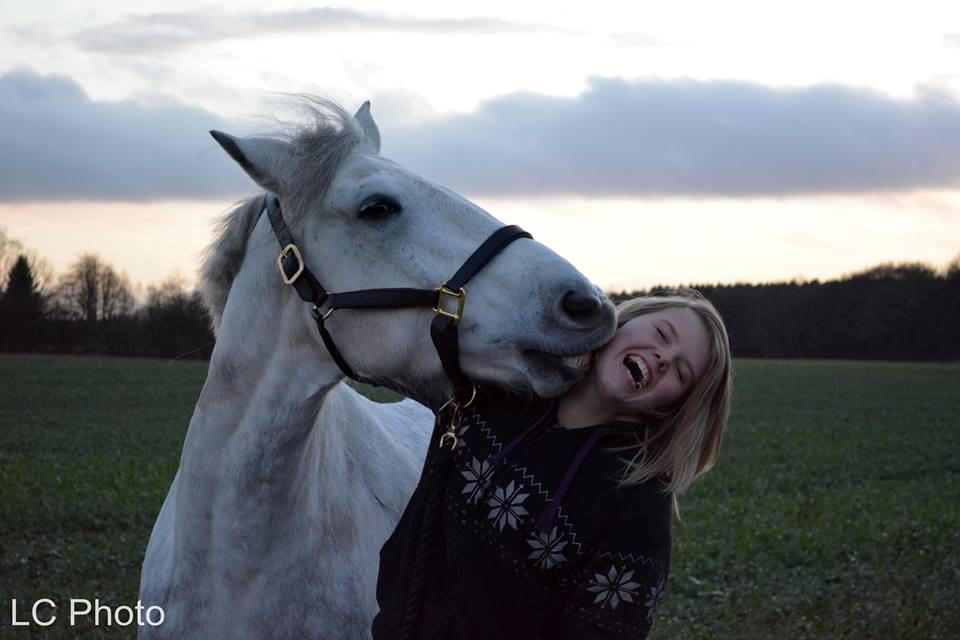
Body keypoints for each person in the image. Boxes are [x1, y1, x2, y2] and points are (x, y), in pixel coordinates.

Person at [372, 289, 732, 639]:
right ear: (622, 322)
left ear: (671, 405)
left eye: (681, 373)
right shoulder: (502, 386)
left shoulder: (639, 503)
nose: (664, 358)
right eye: (661, 333)